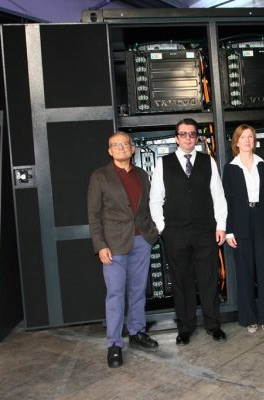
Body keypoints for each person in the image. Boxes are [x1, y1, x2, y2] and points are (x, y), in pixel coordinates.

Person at [149, 118, 228, 346]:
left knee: (209, 279)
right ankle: (185, 327)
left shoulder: (208, 161)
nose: (188, 138)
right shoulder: (163, 163)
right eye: (183, 134)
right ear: (176, 138)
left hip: (205, 231)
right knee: (181, 281)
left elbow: (218, 196)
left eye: (192, 134)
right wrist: (163, 228)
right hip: (175, 233)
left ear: (197, 138)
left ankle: (213, 325)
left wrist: (221, 225)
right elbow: (155, 200)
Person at [87, 131, 160, 369]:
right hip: (114, 245)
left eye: (125, 144)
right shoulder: (100, 176)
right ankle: (115, 344)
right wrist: (100, 245)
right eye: (115, 145)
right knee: (115, 294)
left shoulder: (142, 175)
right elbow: (94, 214)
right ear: (110, 151)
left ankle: (137, 332)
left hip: (141, 241)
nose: (121, 147)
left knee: (138, 292)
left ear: (132, 148)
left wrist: (153, 231)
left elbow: (147, 207)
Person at [222, 124, 264, 334]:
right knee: (244, 272)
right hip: (240, 223)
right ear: (236, 142)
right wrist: (229, 230)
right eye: (243, 137)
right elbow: (226, 202)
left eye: (250, 137)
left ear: (254, 141)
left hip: (263, 219)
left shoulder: (263, 165)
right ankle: (249, 318)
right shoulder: (230, 168)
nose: (247, 140)